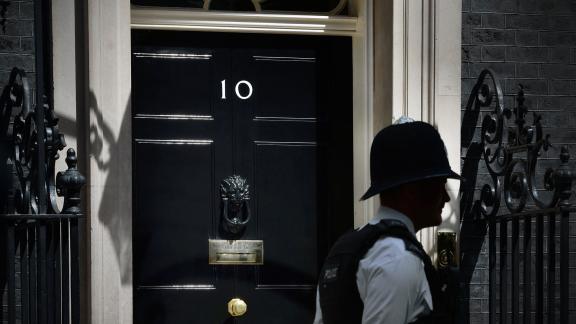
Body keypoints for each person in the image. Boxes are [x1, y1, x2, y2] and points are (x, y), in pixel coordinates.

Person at [313, 120, 461, 324]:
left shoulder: (346, 247)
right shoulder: (399, 258)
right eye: (439, 185)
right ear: (410, 191)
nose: (445, 197)